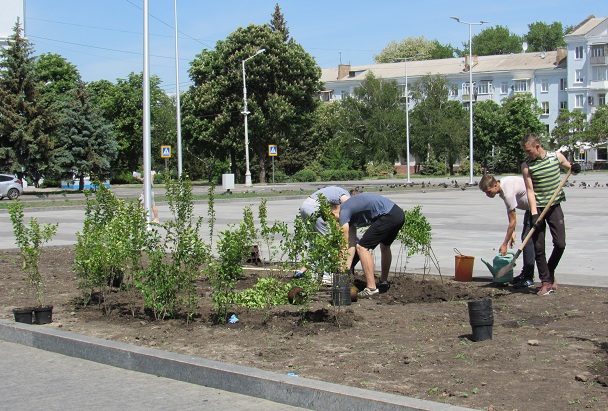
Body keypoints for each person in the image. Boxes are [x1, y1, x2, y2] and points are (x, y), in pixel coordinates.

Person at [520, 133, 580, 296]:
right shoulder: (526, 165)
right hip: (538, 208)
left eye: (529, 151)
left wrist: (575, 168)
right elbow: (530, 191)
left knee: (560, 244)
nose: (527, 154)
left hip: (554, 206)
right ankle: (545, 282)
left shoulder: (556, 157)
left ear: (537, 146)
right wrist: (534, 214)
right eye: (525, 151)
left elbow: (570, 169)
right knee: (539, 247)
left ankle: (550, 269)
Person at [331, 192, 405, 298]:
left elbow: (344, 243)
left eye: (334, 221)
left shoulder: (343, 212)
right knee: (385, 246)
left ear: (333, 214)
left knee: (362, 247)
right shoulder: (348, 211)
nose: (336, 223)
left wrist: (340, 269)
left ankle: (371, 288)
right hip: (398, 214)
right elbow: (350, 244)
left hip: (388, 216)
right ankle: (383, 282)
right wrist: (346, 268)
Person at [478, 174, 535, 288]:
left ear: (495, 185)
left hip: (536, 207)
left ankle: (528, 277)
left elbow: (512, 221)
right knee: (526, 239)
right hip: (530, 209)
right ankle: (525, 274)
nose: (487, 195)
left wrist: (504, 244)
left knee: (527, 241)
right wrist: (512, 231)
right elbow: (511, 216)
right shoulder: (503, 184)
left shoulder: (507, 193)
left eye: (488, 191)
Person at [295, 186, 351, 283]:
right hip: (315, 207)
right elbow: (346, 210)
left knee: (315, 242)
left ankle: (312, 275)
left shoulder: (335, 192)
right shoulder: (347, 196)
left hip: (304, 206)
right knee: (327, 242)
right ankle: (327, 276)